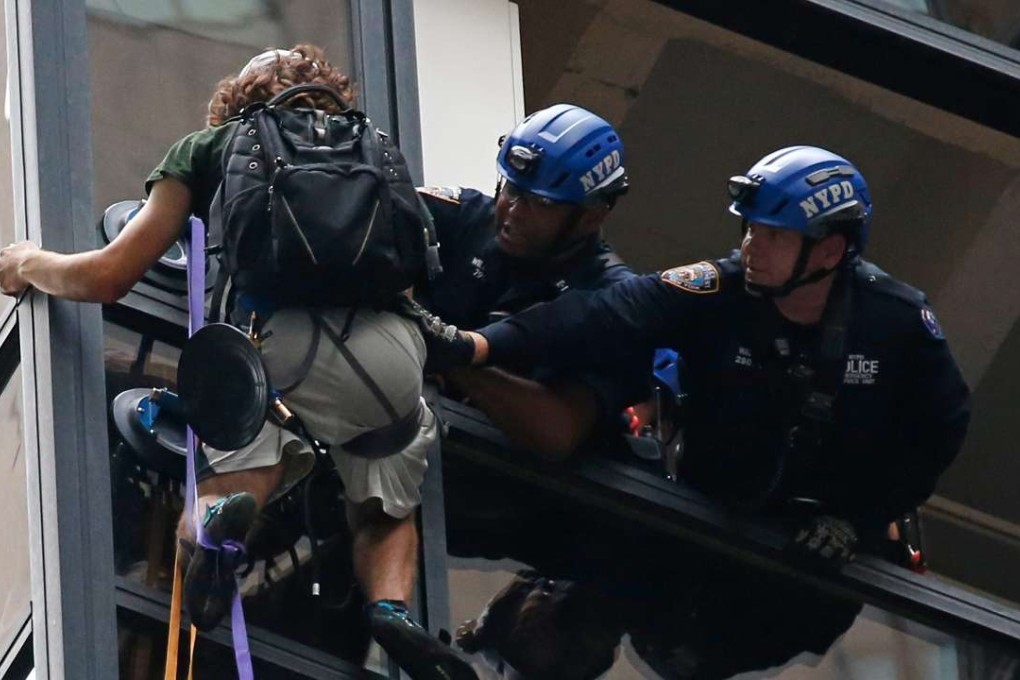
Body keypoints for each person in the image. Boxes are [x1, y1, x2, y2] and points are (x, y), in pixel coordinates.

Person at [0, 45, 477, 680]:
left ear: (236, 99)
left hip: (275, 347)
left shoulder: (211, 147)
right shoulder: (377, 151)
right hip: (388, 354)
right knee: (385, 508)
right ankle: (392, 611)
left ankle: (217, 528)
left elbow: (111, 276)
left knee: (237, 472)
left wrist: (28, 262)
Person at [429, 145, 971, 676]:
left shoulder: (897, 325)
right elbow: (594, 316)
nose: (753, 245)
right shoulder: (719, 289)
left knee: (717, 647)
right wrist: (477, 347)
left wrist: (861, 518)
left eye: (775, 234)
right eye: (750, 228)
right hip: (707, 512)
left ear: (830, 251)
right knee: (628, 630)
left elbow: (940, 431)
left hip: (817, 555)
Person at [416, 103, 647, 460]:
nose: (513, 211)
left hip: (523, 498)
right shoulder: (462, 216)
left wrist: (446, 353)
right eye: (511, 190)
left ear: (591, 216)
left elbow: (558, 431)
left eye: (540, 203)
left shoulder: (614, 299)